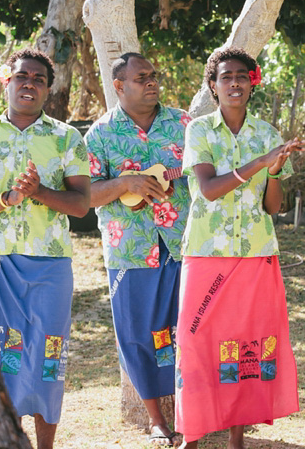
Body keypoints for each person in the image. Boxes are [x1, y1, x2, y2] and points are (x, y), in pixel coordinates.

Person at [0, 48, 91, 449]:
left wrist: (40, 192)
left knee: (49, 353)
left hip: (51, 264)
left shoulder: (67, 138)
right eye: (21, 77)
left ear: (49, 89)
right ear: (6, 82)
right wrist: (9, 199)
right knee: (1, 352)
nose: (29, 83)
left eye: (38, 79)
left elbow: (81, 204)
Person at [175, 47, 304, 449]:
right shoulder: (199, 130)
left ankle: (236, 438)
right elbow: (210, 190)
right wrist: (261, 162)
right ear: (213, 86)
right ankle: (191, 436)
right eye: (226, 76)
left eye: (242, 76)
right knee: (197, 342)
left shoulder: (267, 133)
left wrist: (277, 171)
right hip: (205, 252)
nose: (234, 82)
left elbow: (272, 206)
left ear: (252, 84)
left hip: (255, 253)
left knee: (245, 344)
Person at [85, 52, 190, 445]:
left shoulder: (183, 124)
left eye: (154, 75)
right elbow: (85, 196)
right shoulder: (99, 135)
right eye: (141, 77)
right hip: (130, 250)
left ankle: (190, 411)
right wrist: (125, 183)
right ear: (119, 86)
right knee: (137, 334)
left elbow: (205, 173)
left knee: (187, 332)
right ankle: (156, 420)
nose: (151, 82)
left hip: (183, 243)